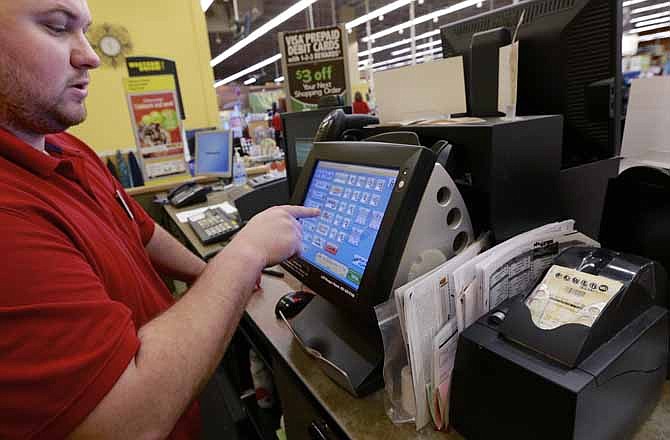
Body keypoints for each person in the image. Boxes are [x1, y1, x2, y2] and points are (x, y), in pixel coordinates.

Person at [0, 1, 319, 439]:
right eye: (57, 28)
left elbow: (141, 231)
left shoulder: (63, 147)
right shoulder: (9, 216)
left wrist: (212, 278)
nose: (89, 55)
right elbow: (126, 422)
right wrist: (245, 254)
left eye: (85, 31)